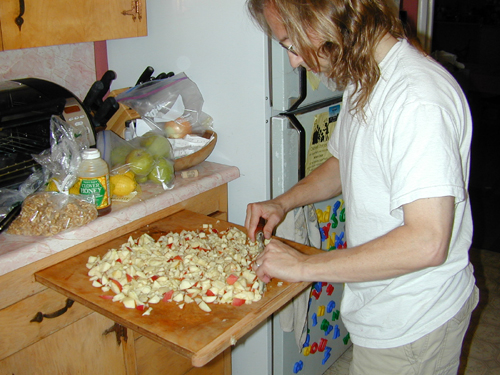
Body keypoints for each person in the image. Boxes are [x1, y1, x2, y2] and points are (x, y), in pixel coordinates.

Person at [244, 0, 478, 374]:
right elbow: (344, 163)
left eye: (291, 42)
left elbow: (427, 241)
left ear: (324, 16)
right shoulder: (365, 78)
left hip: (413, 321)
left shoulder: (416, 100)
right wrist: (283, 203)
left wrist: (306, 266)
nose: (293, 61)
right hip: (383, 307)